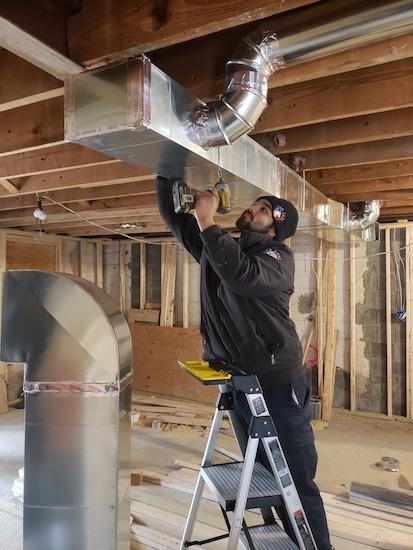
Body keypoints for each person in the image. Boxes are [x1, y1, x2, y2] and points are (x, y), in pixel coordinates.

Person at [156, 171, 333, 550]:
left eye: (265, 209)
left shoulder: (277, 257)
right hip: (240, 383)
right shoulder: (224, 251)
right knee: (265, 476)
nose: (253, 208)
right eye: (256, 204)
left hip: (278, 386)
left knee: (296, 479)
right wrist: (167, 173)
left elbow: (241, 277)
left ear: (275, 229)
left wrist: (207, 219)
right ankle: (283, 539)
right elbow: (177, 222)